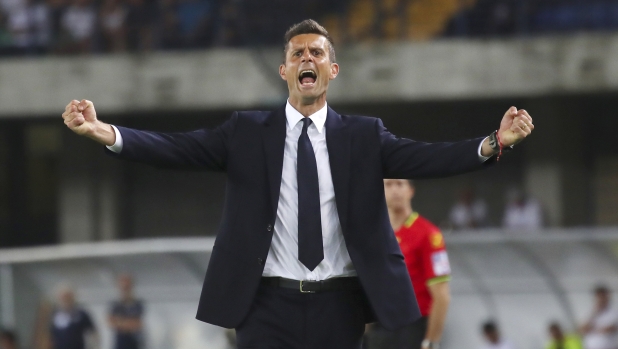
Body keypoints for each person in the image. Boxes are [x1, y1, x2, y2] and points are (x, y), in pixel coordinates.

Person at [60, 19, 534, 349]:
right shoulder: (246, 132)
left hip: (340, 304)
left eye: (318, 52)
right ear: (285, 70)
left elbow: (428, 158)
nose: (307, 58)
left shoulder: (365, 135)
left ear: (332, 70)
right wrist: (105, 133)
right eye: (297, 53)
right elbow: (176, 147)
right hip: (265, 303)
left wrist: (494, 142)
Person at [365, 179, 451, 349]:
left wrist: (431, 341)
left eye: (400, 184)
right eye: (388, 185)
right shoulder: (373, 234)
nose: (395, 190)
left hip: (413, 328)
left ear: (411, 191)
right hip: (380, 327)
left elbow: (442, 297)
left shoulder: (428, 234)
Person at [50, 285, 98, 349]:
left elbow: (92, 333)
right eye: (63, 297)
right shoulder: (55, 315)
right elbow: (50, 336)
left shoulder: (81, 314)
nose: (66, 299)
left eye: (68, 297)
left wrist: (93, 346)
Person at [108, 274, 144, 349]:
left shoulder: (138, 304)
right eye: (123, 287)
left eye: (127, 287)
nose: (125, 289)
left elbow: (137, 324)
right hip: (120, 344)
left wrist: (120, 322)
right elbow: (111, 322)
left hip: (134, 343)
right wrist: (127, 323)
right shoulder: (115, 305)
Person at [580, 285, 618, 349]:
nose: (601, 299)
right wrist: (594, 313)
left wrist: (611, 329)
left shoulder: (614, 313)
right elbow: (582, 329)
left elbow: (613, 328)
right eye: (599, 297)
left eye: (603, 297)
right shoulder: (588, 313)